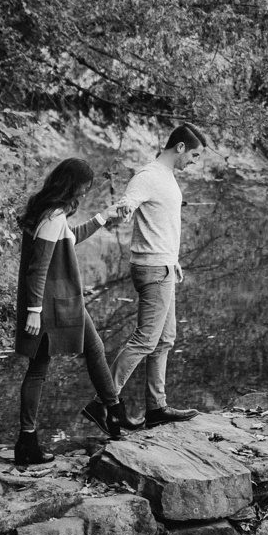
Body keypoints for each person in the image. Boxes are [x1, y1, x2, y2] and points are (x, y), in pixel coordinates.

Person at [13, 157, 124, 465]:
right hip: (50, 305)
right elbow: (38, 268)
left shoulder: (52, 215)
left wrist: (103, 218)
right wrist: (34, 311)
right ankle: (27, 442)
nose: (85, 193)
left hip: (64, 300)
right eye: (84, 187)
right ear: (72, 185)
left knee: (95, 348)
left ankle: (113, 411)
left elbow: (70, 239)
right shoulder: (52, 216)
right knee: (38, 369)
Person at [102, 123, 207, 429]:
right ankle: (103, 402)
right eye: (195, 155)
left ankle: (156, 408)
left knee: (164, 339)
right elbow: (129, 202)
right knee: (146, 340)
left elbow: (157, 212)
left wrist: (172, 259)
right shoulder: (148, 175)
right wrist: (124, 208)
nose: (194, 162)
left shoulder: (166, 178)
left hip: (164, 267)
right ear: (181, 148)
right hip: (152, 269)